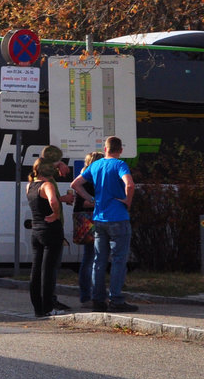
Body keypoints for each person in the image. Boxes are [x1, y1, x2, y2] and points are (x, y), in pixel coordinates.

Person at [71, 135, 138, 313]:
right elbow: (129, 185)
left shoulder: (95, 165)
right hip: (118, 217)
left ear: (105, 149)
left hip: (99, 218)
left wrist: (92, 199)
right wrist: (127, 201)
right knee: (118, 260)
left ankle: (97, 300)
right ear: (120, 150)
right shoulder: (120, 165)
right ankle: (116, 299)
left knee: (98, 261)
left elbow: (75, 184)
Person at [27, 145, 68, 317]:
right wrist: (55, 213)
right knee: (48, 271)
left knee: (36, 270)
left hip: (36, 230)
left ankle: (38, 308)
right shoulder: (47, 184)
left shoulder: (30, 186)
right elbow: (52, 201)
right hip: (51, 230)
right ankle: (48, 308)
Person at [72, 151, 103, 307]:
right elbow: (85, 203)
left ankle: (88, 295)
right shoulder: (90, 178)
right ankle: (87, 296)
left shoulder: (83, 175)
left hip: (84, 220)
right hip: (90, 220)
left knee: (89, 258)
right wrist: (101, 202)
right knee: (91, 258)